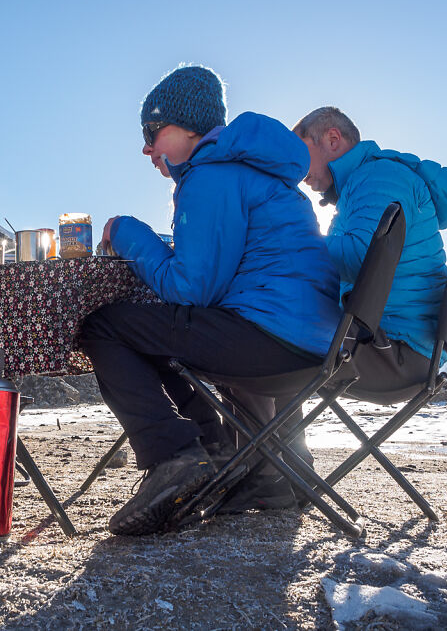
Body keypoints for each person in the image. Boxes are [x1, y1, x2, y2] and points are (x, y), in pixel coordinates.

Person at [79, 66, 342, 536]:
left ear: (186, 127)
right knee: (156, 330)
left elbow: (191, 289)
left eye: (152, 131)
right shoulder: (250, 171)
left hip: (270, 336)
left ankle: (176, 457)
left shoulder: (213, 174)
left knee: (105, 325)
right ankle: (233, 460)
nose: (146, 147)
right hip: (310, 340)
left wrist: (126, 231)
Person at [292, 107, 447, 402]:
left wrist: (291, 243)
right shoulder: (367, 182)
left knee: (268, 339)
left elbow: (360, 260)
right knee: (267, 332)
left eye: (298, 152)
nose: (295, 170)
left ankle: (262, 448)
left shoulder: (377, 177)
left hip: (394, 350)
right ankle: (276, 447)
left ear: (332, 139)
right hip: (398, 346)